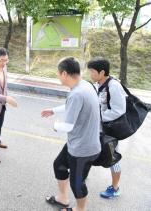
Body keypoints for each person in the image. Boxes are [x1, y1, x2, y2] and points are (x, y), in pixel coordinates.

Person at [41, 57, 101, 211]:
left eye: (58, 73)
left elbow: (67, 126)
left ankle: (80, 210)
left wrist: (55, 125)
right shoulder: (85, 85)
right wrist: (53, 110)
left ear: (65, 74)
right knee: (59, 165)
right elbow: (72, 106)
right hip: (78, 143)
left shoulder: (76, 93)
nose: (58, 76)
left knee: (77, 182)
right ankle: (62, 198)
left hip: (83, 149)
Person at [88, 57, 126, 199]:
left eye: (92, 71)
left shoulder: (114, 86)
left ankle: (115, 188)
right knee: (90, 150)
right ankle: (83, 174)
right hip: (98, 128)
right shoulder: (98, 84)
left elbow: (119, 110)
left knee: (112, 158)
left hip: (111, 131)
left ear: (102, 72)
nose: (90, 74)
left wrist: (99, 116)